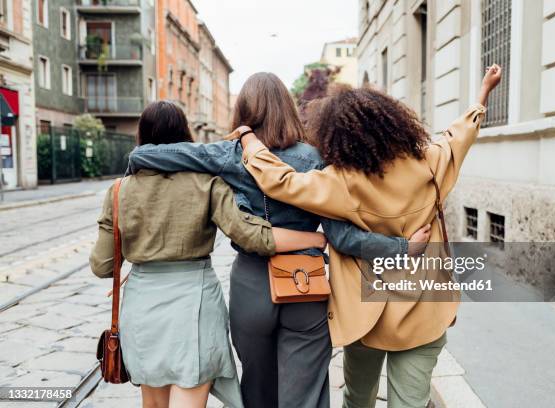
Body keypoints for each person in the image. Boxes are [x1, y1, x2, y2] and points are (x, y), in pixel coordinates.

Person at [126, 74, 431, 408]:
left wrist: (138, 158)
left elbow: (154, 155)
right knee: (305, 393)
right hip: (306, 284)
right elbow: (344, 238)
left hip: (251, 285)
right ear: (288, 109)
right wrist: (403, 248)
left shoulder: (229, 154)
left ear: (243, 112)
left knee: (257, 387)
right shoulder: (316, 160)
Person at [234, 65, 503, 407]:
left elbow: (281, 181)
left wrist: (250, 141)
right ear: (393, 122)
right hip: (424, 310)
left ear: (338, 135)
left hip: (367, 315)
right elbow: (458, 136)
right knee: (410, 401)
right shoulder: (429, 164)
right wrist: (483, 92)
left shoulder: (339, 181)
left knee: (358, 398)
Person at [90, 101, 336, 408]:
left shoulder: (118, 190)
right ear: (185, 135)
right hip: (194, 304)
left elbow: (102, 266)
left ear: (141, 135)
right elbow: (250, 234)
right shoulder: (207, 183)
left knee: (152, 404)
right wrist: (314, 237)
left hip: (142, 308)